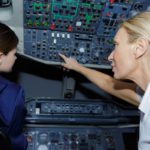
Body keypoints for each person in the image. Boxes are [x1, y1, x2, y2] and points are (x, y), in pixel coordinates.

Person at [59, 11, 150, 150]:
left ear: (139, 48)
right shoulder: (146, 95)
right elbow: (109, 84)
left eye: (116, 45)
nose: (110, 57)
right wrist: (76, 67)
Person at [0, 23, 27, 149]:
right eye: (13, 53)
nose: (15, 58)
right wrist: (24, 141)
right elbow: (15, 141)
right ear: (0, 56)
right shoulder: (12, 94)